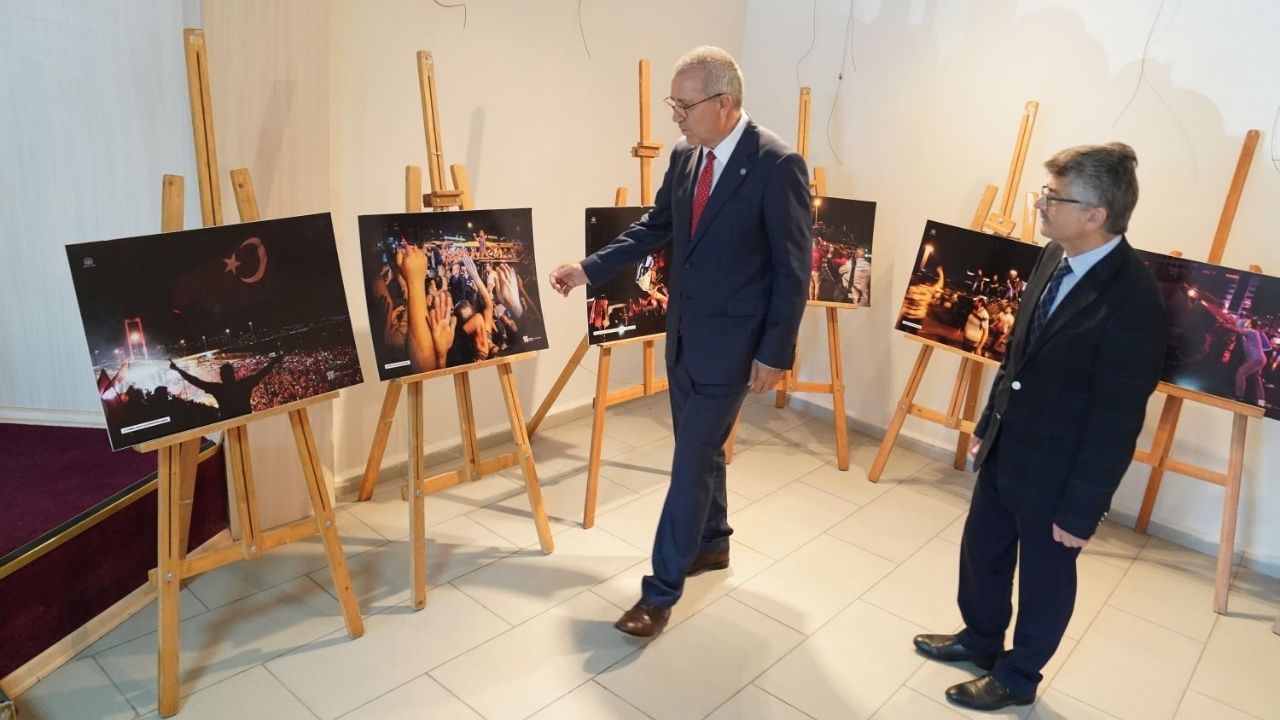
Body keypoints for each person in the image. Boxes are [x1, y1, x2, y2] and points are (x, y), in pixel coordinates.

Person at [547, 46, 809, 638]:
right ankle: (711, 543)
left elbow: (794, 268)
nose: (675, 116)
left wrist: (775, 350)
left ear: (724, 103)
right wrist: (591, 268)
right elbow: (656, 226)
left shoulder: (777, 164)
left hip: (736, 344)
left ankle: (660, 592)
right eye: (673, 103)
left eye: (683, 104)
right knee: (703, 449)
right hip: (685, 334)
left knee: (689, 461)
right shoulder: (688, 155)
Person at [912, 143, 1167, 711]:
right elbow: (1016, 353)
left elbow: (1118, 418)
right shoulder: (1054, 256)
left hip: (1063, 471)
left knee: (1045, 580)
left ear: (1096, 215)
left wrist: (1083, 509)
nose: (1041, 206)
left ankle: (1019, 676)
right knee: (983, 551)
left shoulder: (1134, 301)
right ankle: (980, 642)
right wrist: (987, 421)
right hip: (1010, 446)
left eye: (1054, 198)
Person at [169, 353, 285, 418]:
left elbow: (195, 381)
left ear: (222, 376)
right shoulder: (244, 384)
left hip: (228, 425)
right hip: (247, 421)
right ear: (233, 374)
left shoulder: (218, 389)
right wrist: (275, 360)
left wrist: (178, 370)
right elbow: (262, 373)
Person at [1232, 316, 1271, 407]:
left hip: (1256, 359)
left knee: (1240, 373)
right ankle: (1261, 401)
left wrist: (1226, 325)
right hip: (1259, 359)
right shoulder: (1252, 333)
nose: (1245, 323)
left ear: (1251, 324)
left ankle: (1239, 396)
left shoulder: (1252, 331)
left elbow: (1239, 330)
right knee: (1256, 378)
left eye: (1247, 322)